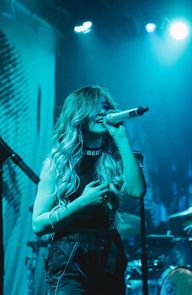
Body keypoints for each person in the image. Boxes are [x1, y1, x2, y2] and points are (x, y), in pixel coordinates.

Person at [32, 85, 146, 294]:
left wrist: (121, 138)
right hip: (69, 255)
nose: (103, 112)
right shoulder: (58, 162)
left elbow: (137, 190)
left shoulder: (115, 157)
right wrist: (81, 203)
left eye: (105, 106)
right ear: (79, 114)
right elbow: (38, 224)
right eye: (95, 107)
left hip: (108, 252)